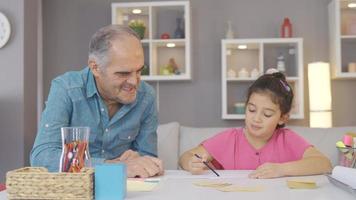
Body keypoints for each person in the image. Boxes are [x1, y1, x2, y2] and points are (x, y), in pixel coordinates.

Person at [30, 25, 163, 178]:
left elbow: (149, 158)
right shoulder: (66, 89)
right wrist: (112, 166)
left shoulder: (146, 96)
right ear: (95, 68)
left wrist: (140, 160)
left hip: (122, 188)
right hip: (74, 188)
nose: (134, 82)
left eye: (139, 70)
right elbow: (42, 156)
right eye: (123, 73)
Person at [179, 69, 332, 179]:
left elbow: (324, 163)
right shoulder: (229, 139)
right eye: (252, 110)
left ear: (283, 118)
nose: (256, 119)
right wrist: (190, 162)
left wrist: (281, 169)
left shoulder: (287, 139)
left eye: (267, 114)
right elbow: (186, 156)